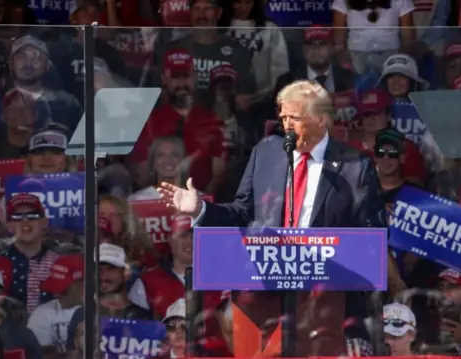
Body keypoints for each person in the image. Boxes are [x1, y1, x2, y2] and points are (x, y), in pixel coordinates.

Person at [157, 79, 385, 355]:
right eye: (283, 116)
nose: (286, 125)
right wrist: (200, 209)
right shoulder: (266, 153)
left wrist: (355, 325)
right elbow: (242, 212)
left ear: (322, 119)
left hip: (323, 302)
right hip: (260, 298)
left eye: (294, 118)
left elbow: (370, 246)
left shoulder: (355, 167)